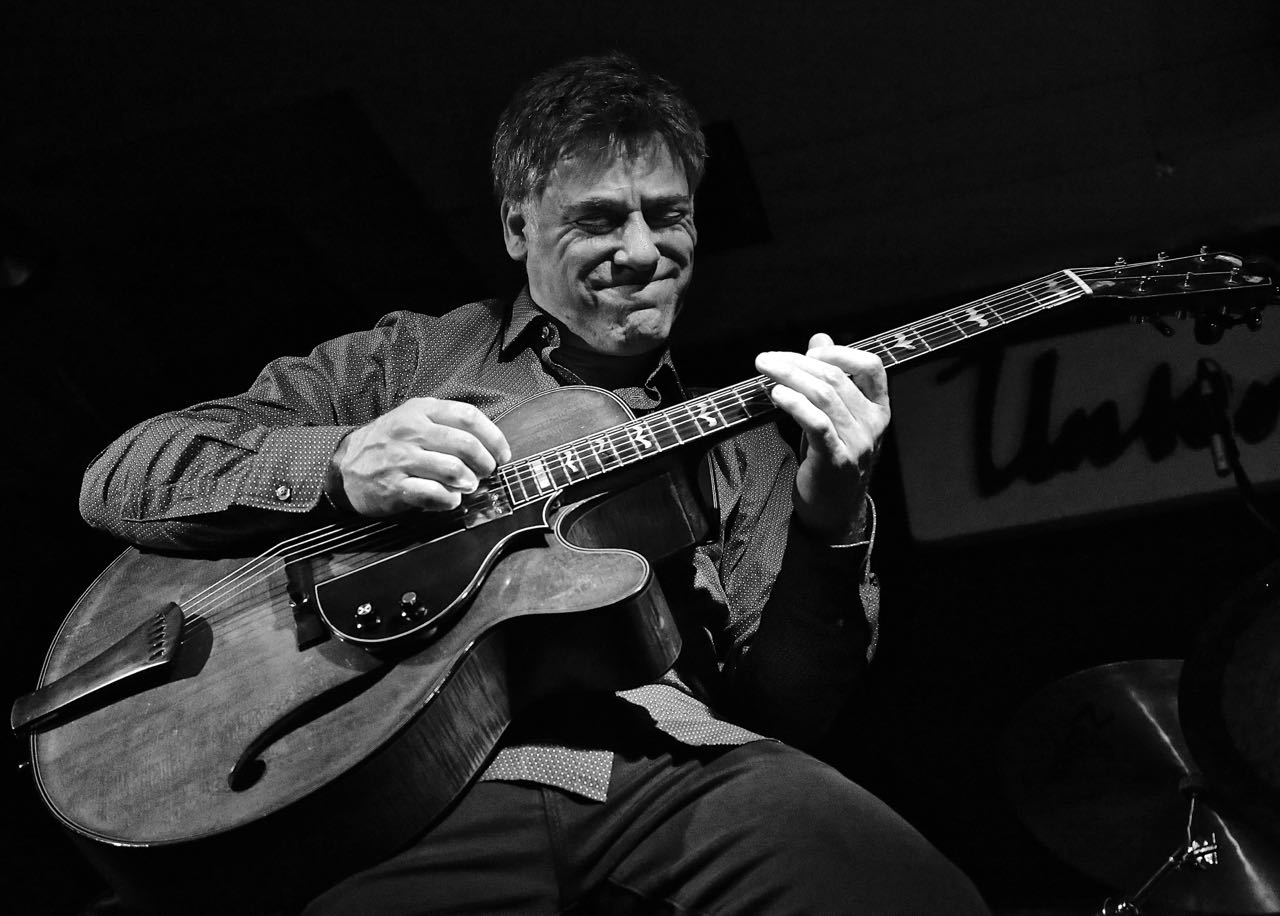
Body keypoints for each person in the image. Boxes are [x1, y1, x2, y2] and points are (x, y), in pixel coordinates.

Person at [80, 53, 989, 915]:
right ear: (518, 228)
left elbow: (791, 705)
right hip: (405, 780)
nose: (643, 250)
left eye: (668, 215)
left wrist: (833, 515)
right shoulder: (410, 357)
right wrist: (339, 464)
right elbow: (124, 476)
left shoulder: (748, 448)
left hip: (670, 770)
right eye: (599, 220)